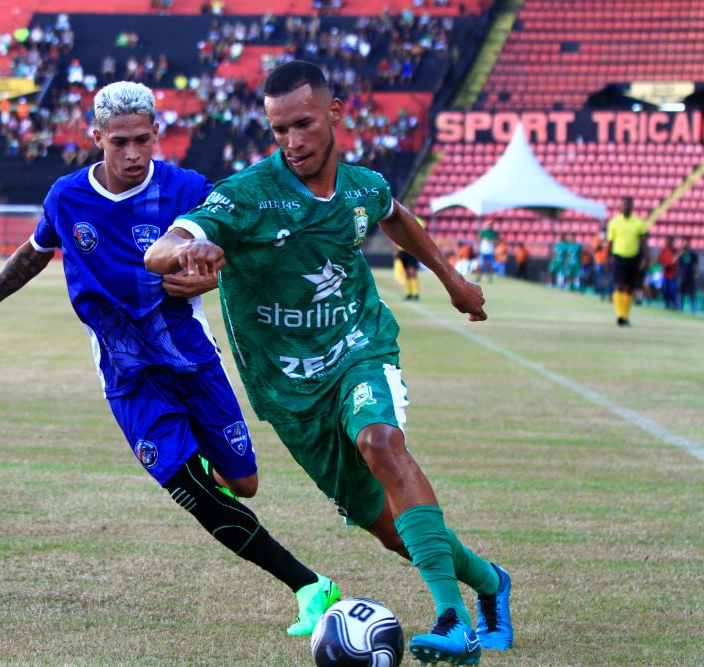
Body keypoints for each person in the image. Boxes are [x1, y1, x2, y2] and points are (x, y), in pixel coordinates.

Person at [145, 60, 511, 666]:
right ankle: (491, 581)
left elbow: (396, 216)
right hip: (290, 393)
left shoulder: (361, 186)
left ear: (336, 113)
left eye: (304, 124)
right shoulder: (245, 197)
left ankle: (453, 620)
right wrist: (188, 250)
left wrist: (451, 280)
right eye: (279, 129)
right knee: (387, 527)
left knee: (380, 441)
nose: (292, 142)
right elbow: (163, 249)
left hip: (359, 348)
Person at [0, 81, 338, 638]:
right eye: (120, 142)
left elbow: (229, 243)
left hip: (193, 361)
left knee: (243, 483)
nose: (133, 154)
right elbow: (35, 252)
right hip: (129, 377)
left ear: (158, 134)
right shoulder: (68, 197)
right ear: (97, 137)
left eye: (143, 141)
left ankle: (201, 464)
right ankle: (309, 586)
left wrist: (207, 269)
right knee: (195, 494)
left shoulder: (187, 188)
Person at [606, 196, 650, 326]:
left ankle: (625, 315)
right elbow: (610, 243)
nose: (625, 207)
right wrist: (608, 260)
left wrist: (645, 258)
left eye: (627, 205)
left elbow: (644, 243)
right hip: (618, 257)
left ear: (632, 207)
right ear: (619, 207)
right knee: (619, 285)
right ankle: (620, 315)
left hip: (633, 258)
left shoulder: (639, 223)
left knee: (630, 288)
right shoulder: (613, 223)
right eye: (623, 204)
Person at [676, 237, 698, 314]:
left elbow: (696, 265)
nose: (686, 244)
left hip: (690, 276)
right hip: (682, 275)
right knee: (680, 293)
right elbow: (674, 261)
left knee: (691, 293)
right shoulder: (680, 253)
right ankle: (679, 308)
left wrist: (696, 273)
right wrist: (680, 254)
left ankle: (693, 310)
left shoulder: (693, 254)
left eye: (687, 242)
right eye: (684, 242)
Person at [657, 236, 679, 310]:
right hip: (665, 274)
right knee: (665, 290)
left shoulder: (675, 251)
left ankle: (675, 305)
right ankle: (667, 304)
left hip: (673, 274)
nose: (667, 243)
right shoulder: (663, 251)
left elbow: (676, 261)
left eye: (669, 242)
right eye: (667, 242)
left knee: (673, 291)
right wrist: (662, 266)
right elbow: (659, 261)